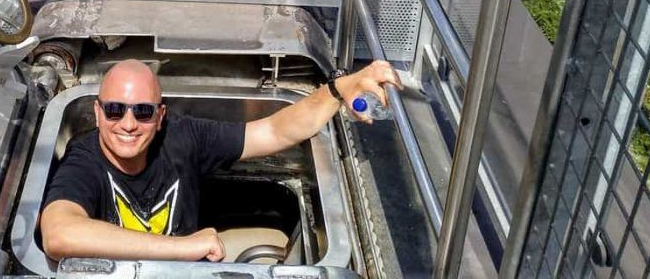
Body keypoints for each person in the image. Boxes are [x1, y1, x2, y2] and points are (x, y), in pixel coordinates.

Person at [40, 58, 400, 262]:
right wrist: (184, 247)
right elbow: (58, 233)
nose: (129, 124)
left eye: (144, 112)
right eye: (116, 110)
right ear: (99, 113)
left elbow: (275, 131)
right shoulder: (84, 159)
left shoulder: (183, 136)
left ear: (161, 115)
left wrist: (337, 91)